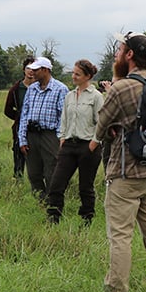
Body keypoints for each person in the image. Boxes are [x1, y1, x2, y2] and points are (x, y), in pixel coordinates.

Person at [93, 32, 146, 292]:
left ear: (129, 55)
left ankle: (116, 291)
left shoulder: (122, 87)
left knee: (121, 235)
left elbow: (101, 126)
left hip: (126, 173)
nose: (116, 54)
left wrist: (113, 128)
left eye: (119, 49)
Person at [46, 59, 103, 224]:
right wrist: (62, 138)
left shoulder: (96, 97)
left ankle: (86, 220)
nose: (73, 76)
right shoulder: (69, 96)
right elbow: (64, 119)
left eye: (77, 74)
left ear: (88, 76)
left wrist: (94, 143)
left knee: (85, 187)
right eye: (73, 73)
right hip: (69, 145)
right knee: (56, 184)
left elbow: (101, 122)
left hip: (88, 146)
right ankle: (53, 218)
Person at [17, 57, 69, 202]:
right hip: (32, 134)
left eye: (36, 70)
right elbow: (24, 114)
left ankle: (53, 203)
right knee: (34, 173)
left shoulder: (60, 89)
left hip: (50, 135)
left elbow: (63, 117)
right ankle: (40, 202)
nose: (32, 73)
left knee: (51, 171)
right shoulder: (32, 89)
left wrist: (60, 137)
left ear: (45, 70)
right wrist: (22, 139)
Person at [4, 56, 37, 178]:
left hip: (38, 129)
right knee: (19, 157)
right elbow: (7, 110)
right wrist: (20, 118)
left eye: (34, 68)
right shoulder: (16, 89)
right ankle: (17, 182)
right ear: (24, 69)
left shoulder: (41, 87)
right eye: (28, 68)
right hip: (20, 128)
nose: (31, 71)